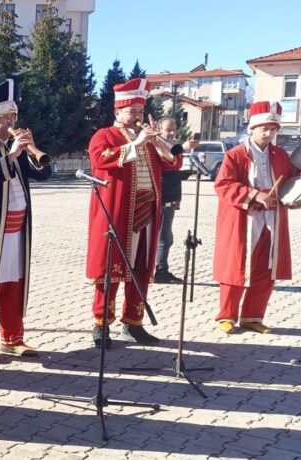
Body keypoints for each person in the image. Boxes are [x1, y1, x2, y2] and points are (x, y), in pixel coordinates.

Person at [86, 77, 182, 349]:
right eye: (132, 112)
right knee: (111, 270)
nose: (137, 116)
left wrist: (160, 142)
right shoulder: (104, 134)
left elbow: (173, 164)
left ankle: (133, 322)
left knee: (140, 268)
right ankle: (101, 325)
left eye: (141, 111)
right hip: (116, 213)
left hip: (147, 211)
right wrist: (136, 144)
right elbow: (99, 159)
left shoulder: (148, 139)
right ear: (117, 112)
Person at [213, 101, 301, 334]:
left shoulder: (279, 154)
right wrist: (254, 195)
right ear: (252, 128)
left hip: (273, 219)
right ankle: (227, 316)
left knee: (266, 267)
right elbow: (223, 185)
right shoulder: (235, 155)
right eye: (265, 128)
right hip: (244, 219)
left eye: (273, 129)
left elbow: (294, 178)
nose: (269, 133)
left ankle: (252, 316)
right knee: (237, 268)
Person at [0, 79, 53, 364]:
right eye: (7, 117)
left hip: (18, 231)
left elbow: (42, 175)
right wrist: (13, 153)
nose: (12, 121)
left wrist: (32, 151)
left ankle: (13, 337)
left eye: (14, 117)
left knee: (14, 284)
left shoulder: (14, 148)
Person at [154, 119, 198, 284]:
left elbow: (174, 173)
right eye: (168, 130)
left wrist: (177, 199)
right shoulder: (159, 146)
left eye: (174, 130)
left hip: (170, 198)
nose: (171, 133)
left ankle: (160, 269)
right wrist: (184, 148)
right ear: (159, 129)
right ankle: (160, 271)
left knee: (166, 237)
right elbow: (170, 161)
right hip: (161, 200)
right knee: (164, 238)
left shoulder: (169, 145)